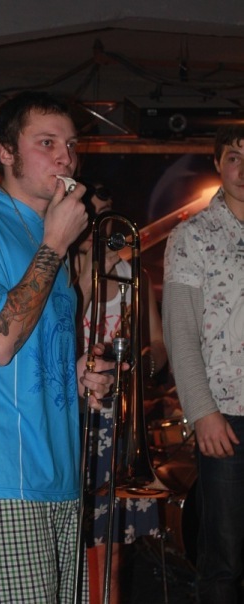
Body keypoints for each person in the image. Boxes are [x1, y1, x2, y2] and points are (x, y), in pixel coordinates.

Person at [0, 90, 116, 604]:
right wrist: (55, 244)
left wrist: (74, 371)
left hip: (60, 472)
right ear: (6, 152)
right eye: (47, 143)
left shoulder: (51, 235)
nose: (66, 157)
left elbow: (29, 348)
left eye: (71, 144)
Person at [72, 182, 168, 604]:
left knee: (111, 550)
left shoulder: (134, 276)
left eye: (104, 213)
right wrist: (92, 271)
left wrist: (146, 363)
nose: (99, 223)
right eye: (90, 213)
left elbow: (158, 343)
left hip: (118, 419)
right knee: (75, 547)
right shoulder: (64, 275)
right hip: (76, 417)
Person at [162, 124, 244, 604]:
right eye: (234, 156)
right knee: (224, 558)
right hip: (226, 417)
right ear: (218, 163)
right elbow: (180, 333)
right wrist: (202, 412)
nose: (243, 168)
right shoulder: (191, 236)